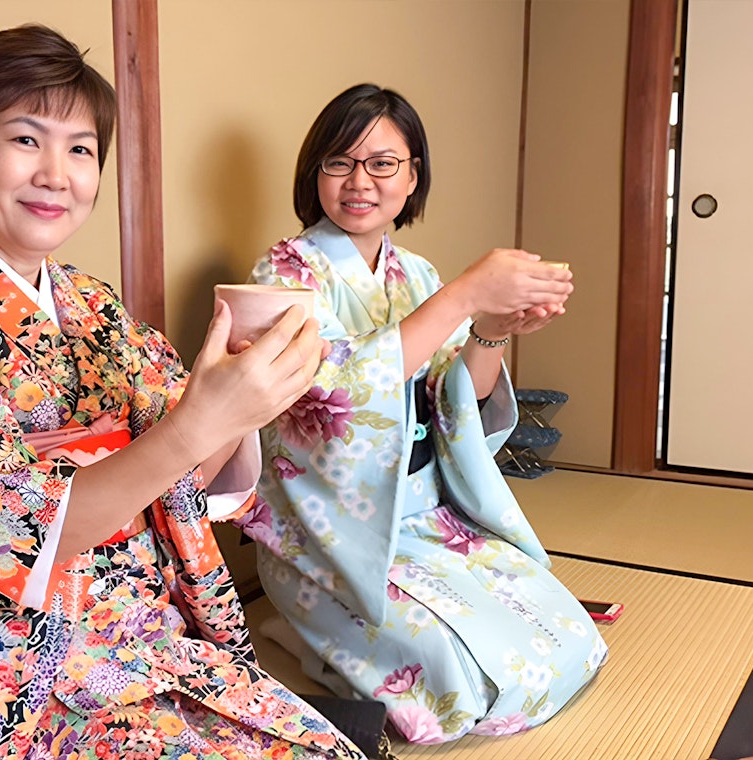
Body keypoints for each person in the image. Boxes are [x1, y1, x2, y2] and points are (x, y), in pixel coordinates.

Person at [0, 25, 368, 760]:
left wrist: (241, 400)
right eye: (26, 140)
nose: (57, 174)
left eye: (80, 149)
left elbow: (179, 478)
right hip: (4, 666)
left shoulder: (97, 308)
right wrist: (200, 420)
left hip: (140, 638)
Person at [237, 84, 609, 743]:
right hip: (330, 539)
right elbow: (332, 398)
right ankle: (298, 627)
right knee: (449, 680)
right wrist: (466, 293)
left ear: (413, 177)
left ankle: (320, 636)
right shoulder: (282, 272)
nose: (360, 181)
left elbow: (453, 405)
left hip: (425, 515)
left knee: (566, 638)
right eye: (338, 162)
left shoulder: (416, 273)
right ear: (313, 172)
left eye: (382, 163)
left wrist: (490, 327)